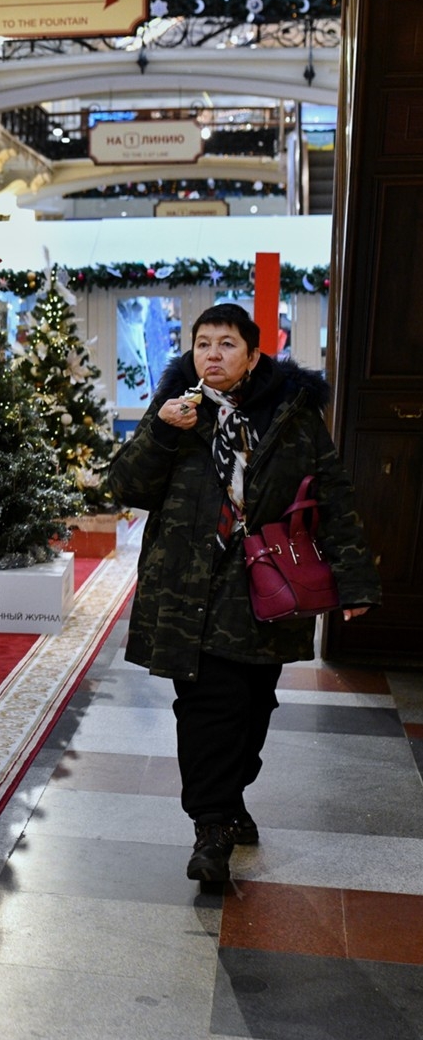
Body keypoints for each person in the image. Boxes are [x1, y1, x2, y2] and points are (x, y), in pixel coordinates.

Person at [106, 303, 379, 886]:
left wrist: (354, 579)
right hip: (187, 586)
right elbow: (123, 486)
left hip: (265, 584)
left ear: (254, 355)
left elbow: (333, 494)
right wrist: (160, 431)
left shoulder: (293, 414)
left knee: (254, 707)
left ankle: (230, 797)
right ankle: (211, 827)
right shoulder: (177, 410)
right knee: (207, 707)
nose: (212, 355)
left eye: (226, 344)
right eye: (202, 343)